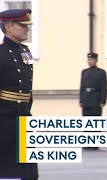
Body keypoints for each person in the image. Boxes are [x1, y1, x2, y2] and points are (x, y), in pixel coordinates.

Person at [0, 9, 38, 180]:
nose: (27, 29)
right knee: (7, 167)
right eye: (23, 26)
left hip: (23, 115)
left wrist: (26, 109)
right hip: (4, 117)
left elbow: (28, 84)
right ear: (8, 27)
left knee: (28, 169)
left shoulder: (26, 51)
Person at [80, 52, 107, 150]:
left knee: (95, 123)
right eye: (89, 60)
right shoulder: (84, 72)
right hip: (86, 99)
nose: (90, 61)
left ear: (96, 60)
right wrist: (81, 100)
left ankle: (95, 143)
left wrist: (103, 101)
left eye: (91, 60)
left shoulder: (101, 72)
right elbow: (82, 87)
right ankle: (87, 143)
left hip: (96, 100)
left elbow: (104, 87)